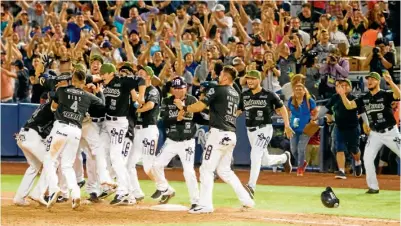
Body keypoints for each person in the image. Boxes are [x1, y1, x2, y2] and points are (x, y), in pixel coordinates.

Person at [174, 66, 255, 214]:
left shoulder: (218, 89)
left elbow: (200, 106)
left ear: (225, 77)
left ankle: (205, 205)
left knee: (206, 169)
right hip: (231, 134)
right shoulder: (235, 93)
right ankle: (247, 200)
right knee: (225, 171)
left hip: (218, 134)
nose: (218, 76)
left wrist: (184, 107)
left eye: (221, 74)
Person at [43, 70, 105, 209]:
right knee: (67, 165)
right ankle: (75, 194)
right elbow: (101, 104)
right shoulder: (87, 95)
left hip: (61, 128)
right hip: (76, 131)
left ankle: (54, 189)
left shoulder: (62, 90)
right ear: (83, 82)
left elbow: (53, 105)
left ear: (72, 79)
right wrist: (99, 91)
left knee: (49, 159)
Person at [338, 71, 400, 194]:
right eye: (368, 79)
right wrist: (342, 95)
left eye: (372, 79)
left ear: (378, 81)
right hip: (375, 133)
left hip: (390, 132)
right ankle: (373, 187)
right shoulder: (364, 97)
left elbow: (398, 95)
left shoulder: (385, 94)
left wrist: (390, 82)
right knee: (367, 158)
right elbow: (350, 106)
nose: (369, 81)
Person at [238, 70, 293, 197]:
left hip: (264, 128)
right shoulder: (245, 95)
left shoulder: (269, 95)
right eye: (248, 79)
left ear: (259, 80)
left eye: (252, 78)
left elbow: (282, 108)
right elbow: (238, 111)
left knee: (255, 154)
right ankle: (284, 158)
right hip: (250, 130)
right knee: (264, 161)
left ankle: (251, 186)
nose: (250, 81)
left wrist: (287, 125)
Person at [99, 63, 145, 205]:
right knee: (99, 150)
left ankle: (124, 190)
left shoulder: (123, 81)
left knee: (115, 156)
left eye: (104, 73)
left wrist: (141, 96)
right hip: (107, 122)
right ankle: (110, 183)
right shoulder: (106, 84)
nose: (102, 76)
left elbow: (141, 80)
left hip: (119, 123)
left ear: (110, 73)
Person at [151, 77, 199, 209]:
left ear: (186, 87)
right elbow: (164, 119)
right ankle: (166, 189)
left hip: (187, 142)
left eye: (180, 88)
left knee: (189, 171)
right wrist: (176, 117)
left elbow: (195, 116)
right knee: (156, 165)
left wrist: (183, 110)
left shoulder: (192, 100)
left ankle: (195, 201)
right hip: (171, 140)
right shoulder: (167, 100)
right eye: (175, 88)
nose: (177, 91)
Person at [315, 79, 363, 179]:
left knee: (354, 149)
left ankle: (358, 162)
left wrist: (367, 124)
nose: (344, 87)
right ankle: (341, 171)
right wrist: (316, 116)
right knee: (339, 148)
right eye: (341, 86)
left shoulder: (354, 98)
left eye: (346, 85)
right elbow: (326, 108)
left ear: (350, 87)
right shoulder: (335, 97)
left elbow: (362, 112)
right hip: (339, 127)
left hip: (352, 128)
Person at [128, 65, 160, 204]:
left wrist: (136, 111)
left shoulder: (153, 90)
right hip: (137, 130)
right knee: (129, 164)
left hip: (149, 129)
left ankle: (164, 188)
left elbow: (150, 106)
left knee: (148, 166)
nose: (139, 74)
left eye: (142, 73)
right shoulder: (136, 91)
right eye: (138, 72)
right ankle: (137, 192)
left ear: (149, 76)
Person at [287, 83, 317, 176]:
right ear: (294, 91)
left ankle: (300, 168)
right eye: (296, 89)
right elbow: (288, 110)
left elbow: (315, 112)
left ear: (304, 91)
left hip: (305, 128)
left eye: (300, 89)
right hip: (293, 128)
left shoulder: (309, 100)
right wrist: (287, 122)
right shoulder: (291, 100)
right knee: (293, 150)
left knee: (301, 149)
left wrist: (312, 119)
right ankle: (303, 162)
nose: (298, 91)